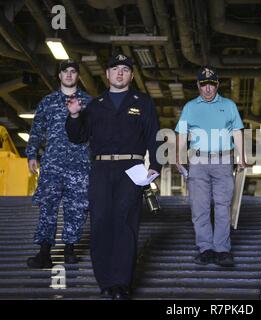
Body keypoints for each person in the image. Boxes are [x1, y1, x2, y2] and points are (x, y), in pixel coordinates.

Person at [65, 53, 161, 300]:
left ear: (131, 75)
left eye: (125, 69)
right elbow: (77, 137)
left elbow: (155, 136)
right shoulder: (95, 105)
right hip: (100, 170)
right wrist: (74, 115)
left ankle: (121, 283)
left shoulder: (143, 103)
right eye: (115, 68)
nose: (120, 73)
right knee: (100, 223)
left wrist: (156, 165)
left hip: (132, 169)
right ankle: (105, 281)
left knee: (125, 224)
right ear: (106, 74)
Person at [175, 66, 245, 267]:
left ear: (217, 85)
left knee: (223, 206)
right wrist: (178, 157)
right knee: (200, 206)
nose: (207, 89)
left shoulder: (229, 105)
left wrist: (242, 157)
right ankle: (206, 248)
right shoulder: (190, 107)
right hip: (197, 162)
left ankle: (222, 250)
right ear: (198, 85)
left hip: (223, 160)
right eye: (203, 85)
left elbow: (237, 132)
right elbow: (181, 133)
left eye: (211, 85)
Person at [26, 60, 91, 269]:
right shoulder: (48, 102)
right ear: (59, 76)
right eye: (65, 71)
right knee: (48, 207)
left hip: (80, 165)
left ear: (78, 76)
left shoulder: (88, 103)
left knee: (77, 208)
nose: (69, 75)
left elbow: (96, 134)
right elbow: (37, 130)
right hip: (52, 164)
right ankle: (44, 252)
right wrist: (31, 154)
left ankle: (69, 249)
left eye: (73, 72)